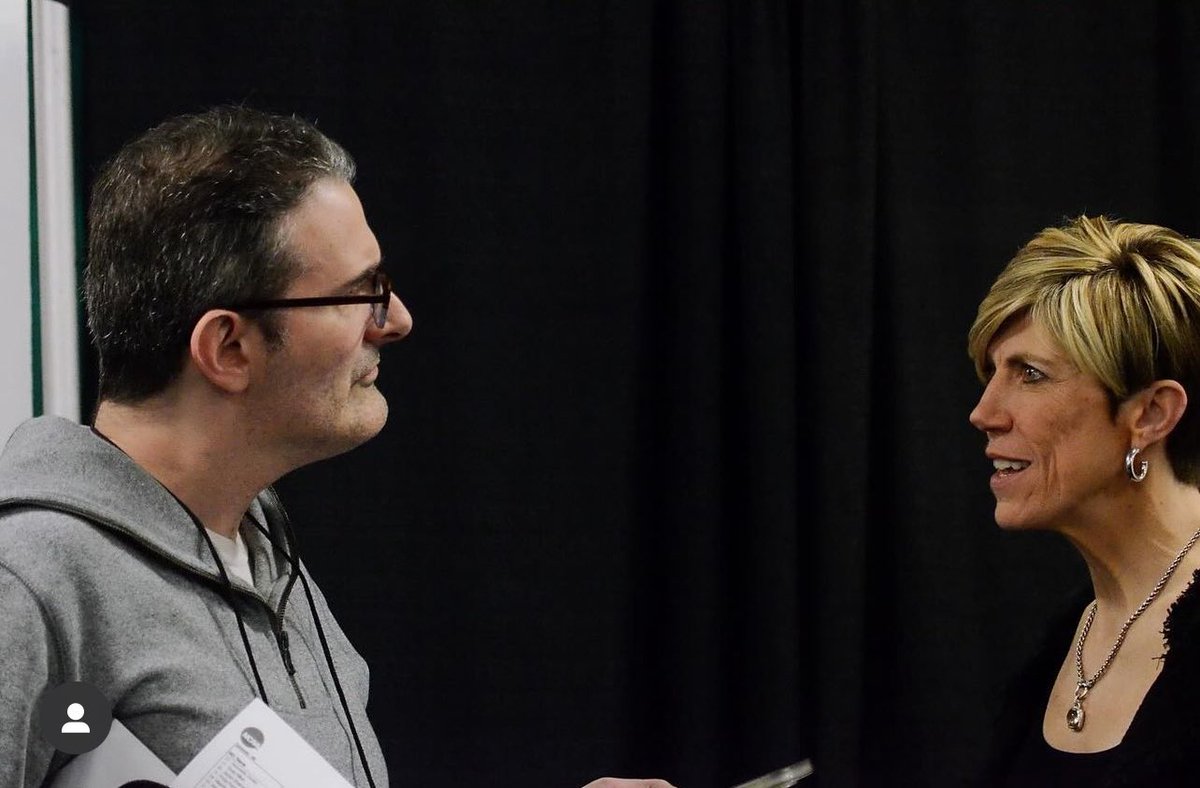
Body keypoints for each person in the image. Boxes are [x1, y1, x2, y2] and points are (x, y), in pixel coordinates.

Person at [0, 107, 673, 788]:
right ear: (229, 348)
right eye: (361, 294)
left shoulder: (260, 545)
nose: (397, 320)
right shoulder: (27, 581)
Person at [968, 215, 1200, 784]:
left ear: (1149, 413)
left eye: (1030, 374)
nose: (984, 414)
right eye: (992, 373)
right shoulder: (1071, 632)